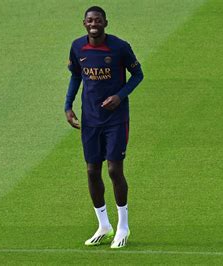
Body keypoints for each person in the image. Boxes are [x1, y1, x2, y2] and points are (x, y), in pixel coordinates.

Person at [64, 6, 144, 249]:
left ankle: (123, 226)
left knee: (114, 170)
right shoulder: (78, 47)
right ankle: (104, 225)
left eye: (98, 20)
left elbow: (138, 75)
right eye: (89, 20)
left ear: (105, 23)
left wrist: (120, 96)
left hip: (116, 119)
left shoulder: (119, 47)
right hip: (90, 119)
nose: (93, 24)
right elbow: (76, 76)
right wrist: (68, 105)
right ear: (84, 23)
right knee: (91, 171)